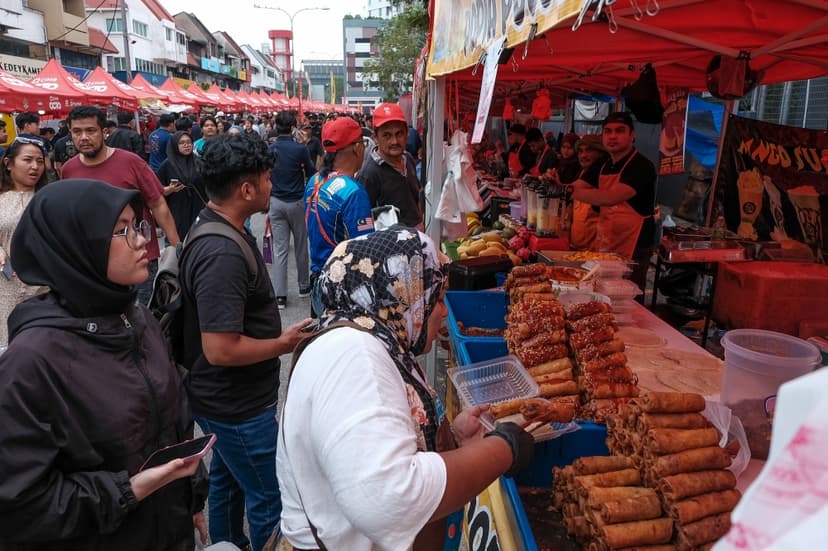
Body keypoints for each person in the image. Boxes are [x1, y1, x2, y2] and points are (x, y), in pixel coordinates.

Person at [276, 228, 533, 550]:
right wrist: (504, 448)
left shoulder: (359, 339)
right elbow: (386, 498)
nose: (445, 311)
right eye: (437, 297)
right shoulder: (354, 355)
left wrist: (452, 440)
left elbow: (363, 451)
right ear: (399, 294)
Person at [0, 179, 208, 549]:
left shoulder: (138, 320)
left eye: (137, 225)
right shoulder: (31, 361)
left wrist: (190, 495)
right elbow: (20, 504)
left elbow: (171, 422)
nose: (142, 241)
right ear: (76, 247)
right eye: (122, 231)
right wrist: (129, 490)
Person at [180, 133, 311, 551]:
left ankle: (227, 542)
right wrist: (284, 343)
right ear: (247, 190)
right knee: (270, 494)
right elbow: (220, 349)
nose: (273, 185)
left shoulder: (219, 225)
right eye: (267, 178)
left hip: (227, 401)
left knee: (228, 480)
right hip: (236, 405)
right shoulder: (221, 252)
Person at [60, 105, 181, 305]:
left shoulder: (131, 162)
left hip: (138, 256)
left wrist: (176, 249)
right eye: (77, 132)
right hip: (95, 263)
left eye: (90, 131)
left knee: (142, 315)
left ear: (104, 132)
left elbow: (158, 204)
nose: (84, 137)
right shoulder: (69, 170)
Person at [571, 112, 657, 291]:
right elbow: (577, 185)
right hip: (606, 241)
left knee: (627, 294)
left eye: (620, 131)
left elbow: (611, 198)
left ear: (632, 135)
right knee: (600, 291)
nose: (612, 136)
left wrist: (570, 192)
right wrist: (555, 184)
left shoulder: (641, 166)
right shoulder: (603, 164)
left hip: (634, 245)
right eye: (608, 131)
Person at [304, 117, 374, 317]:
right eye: (362, 142)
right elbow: (365, 252)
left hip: (318, 282)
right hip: (342, 290)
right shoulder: (353, 192)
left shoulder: (314, 180)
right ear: (357, 148)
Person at [0, 138, 49, 345]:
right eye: (27, 160)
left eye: (40, 161)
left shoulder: (50, 198)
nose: (35, 167)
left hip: (44, 288)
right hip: (5, 287)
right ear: (8, 163)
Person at [267, 111, 316, 309]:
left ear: (276, 125)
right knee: (301, 246)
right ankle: (303, 287)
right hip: (296, 201)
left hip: (275, 201)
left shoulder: (271, 149)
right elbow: (311, 172)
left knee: (280, 249)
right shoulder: (300, 149)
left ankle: (280, 295)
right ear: (293, 126)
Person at [357, 103, 423, 229]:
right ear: (375, 137)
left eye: (399, 134)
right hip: (390, 239)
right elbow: (362, 221)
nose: (394, 141)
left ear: (407, 133)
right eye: (386, 135)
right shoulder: (369, 174)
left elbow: (415, 197)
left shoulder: (408, 159)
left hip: (416, 233)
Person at [155, 131, 207, 240]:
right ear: (175, 145)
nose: (186, 145)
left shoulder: (199, 162)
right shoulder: (167, 165)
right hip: (177, 210)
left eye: (189, 142)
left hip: (198, 208)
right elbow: (156, 189)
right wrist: (168, 189)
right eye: (182, 143)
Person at [566, 134, 609, 250]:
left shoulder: (603, 178)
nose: (583, 155)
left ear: (600, 153)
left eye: (589, 150)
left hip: (594, 250)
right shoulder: (580, 173)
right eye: (580, 151)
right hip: (574, 246)